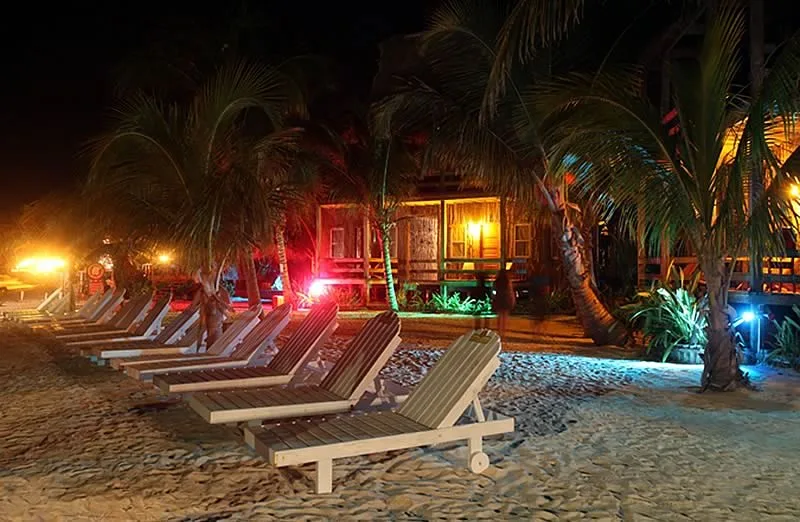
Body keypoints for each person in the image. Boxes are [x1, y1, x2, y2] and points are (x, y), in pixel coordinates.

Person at [493, 268, 516, 339]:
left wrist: (494, 297)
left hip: (499, 299)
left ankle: (499, 332)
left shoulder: (496, 282)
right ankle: (503, 332)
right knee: (505, 316)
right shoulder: (507, 281)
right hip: (506, 299)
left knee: (499, 317)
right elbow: (510, 291)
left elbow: (493, 291)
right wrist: (513, 299)